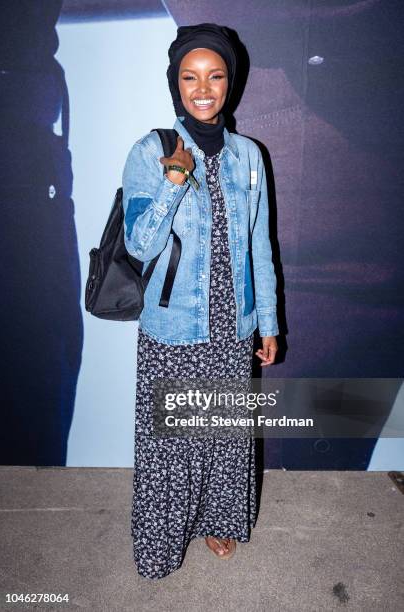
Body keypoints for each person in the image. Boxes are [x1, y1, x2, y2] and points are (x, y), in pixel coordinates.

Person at [122, 23, 279, 579]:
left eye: (215, 76)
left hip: (232, 325)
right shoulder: (151, 150)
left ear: (229, 84)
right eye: (191, 77)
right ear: (177, 84)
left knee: (222, 435)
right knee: (171, 445)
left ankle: (218, 520)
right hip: (174, 325)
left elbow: (261, 242)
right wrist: (173, 179)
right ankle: (163, 541)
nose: (203, 88)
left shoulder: (249, 156)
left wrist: (268, 321)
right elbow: (139, 245)